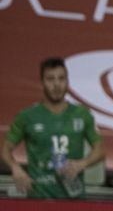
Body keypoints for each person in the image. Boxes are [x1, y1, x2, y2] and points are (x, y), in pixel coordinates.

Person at [2, 57, 105, 198]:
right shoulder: (27, 116)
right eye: (50, 79)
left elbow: (100, 150)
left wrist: (81, 164)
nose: (56, 84)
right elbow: (4, 149)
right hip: (39, 199)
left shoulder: (82, 114)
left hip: (75, 201)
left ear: (67, 82)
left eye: (61, 78)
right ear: (42, 82)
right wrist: (15, 168)